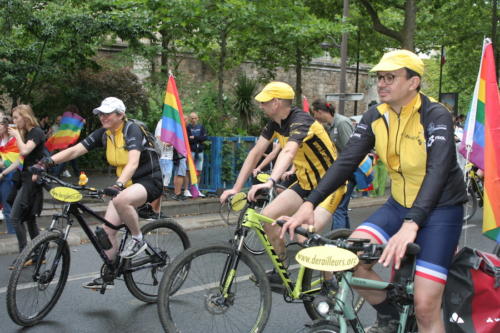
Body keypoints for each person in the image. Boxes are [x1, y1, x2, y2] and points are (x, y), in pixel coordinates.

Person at [281, 50, 467, 333]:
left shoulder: (435, 114)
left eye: (390, 77)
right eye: (380, 77)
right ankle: (391, 316)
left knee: (426, 306)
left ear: (413, 82)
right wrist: (310, 202)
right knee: (348, 261)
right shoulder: (375, 116)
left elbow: (439, 170)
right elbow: (345, 161)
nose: (381, 83)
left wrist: (411, 224)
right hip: (398, 206)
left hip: (441, 210)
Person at [220, 81, 346, 285]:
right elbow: (255, 153)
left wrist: (270, 181)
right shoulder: (275, 124)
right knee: (266, 217)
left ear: (276, 103)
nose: (260, 106)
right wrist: (235, 188)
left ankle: (330, 280)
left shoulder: (302, 121)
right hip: (305, 184)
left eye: (264, 102)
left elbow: (289, 151)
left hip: (330, 186)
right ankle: (281, 269)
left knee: (302, 234)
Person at [34, 97, 163, 289]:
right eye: (101, 113)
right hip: (125, 184)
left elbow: (133, 162)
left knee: (120, 200)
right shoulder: (105, 133)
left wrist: (118, 184)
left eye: (107, 113)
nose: (102, 117)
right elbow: (76, 150)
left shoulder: (131, 130)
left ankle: (138, 239)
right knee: (106, 232)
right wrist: (47, 162)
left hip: (147, 181)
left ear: (121, 115)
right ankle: (109, 275)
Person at [8, 105, 45, 259]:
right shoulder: (27, 133)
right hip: (25, 179)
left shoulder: (36, 132)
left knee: (15, 218)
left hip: (32, 180)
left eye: (16, 117)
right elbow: (20, 158)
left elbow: (25, 151)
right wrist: (5, 172)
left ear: (25, 116)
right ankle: (39, 254)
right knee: (30, 219)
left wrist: (16, 134)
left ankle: (25, 254)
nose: (14, 121)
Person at [311, 99, 354, 229]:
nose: (314, 117)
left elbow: (351, 149)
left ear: (319, 112)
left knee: (338, 207)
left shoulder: (341, 123)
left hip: (347, 171)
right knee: (342, 207)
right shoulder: (331, 126)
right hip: (342, 170)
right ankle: (346, 239)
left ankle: (336, 243)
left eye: (314, 113)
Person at [0, 116, 18, 234]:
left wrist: (3, 167)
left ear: (7, 126)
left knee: (7, 207)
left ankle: (13, 234)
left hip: (7, 175)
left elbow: (16, 161)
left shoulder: (14, 141)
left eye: (0, 124)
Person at [187, 112, 207, 193]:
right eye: (192, 118)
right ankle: (189, 188)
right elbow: (188, 139)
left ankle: (196, 189)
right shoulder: (188, 127)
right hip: (191, 151)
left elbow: (205, 137)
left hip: (200, 151)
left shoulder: (201, 127)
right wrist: (198, 138)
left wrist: (194, 137)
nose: (194, 120)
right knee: (190, 170)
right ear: (189, 119)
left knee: (199, 171)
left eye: (195, 118)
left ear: (198, 118)